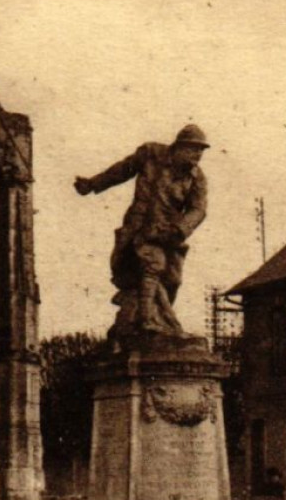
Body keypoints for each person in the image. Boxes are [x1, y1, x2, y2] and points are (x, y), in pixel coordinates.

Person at [75, 125, 210, 339]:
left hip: (170, 235)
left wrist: (181, 229)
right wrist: (93, 183)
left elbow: (199, 209)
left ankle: (159, 322)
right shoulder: (151, 154)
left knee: (173, 280)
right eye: (194, 149)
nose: (198, 155)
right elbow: (122, 170)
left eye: (201, 151)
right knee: (153, 264)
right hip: (140, 228)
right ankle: (146, 320)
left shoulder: (197, 178)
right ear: (179, 147)